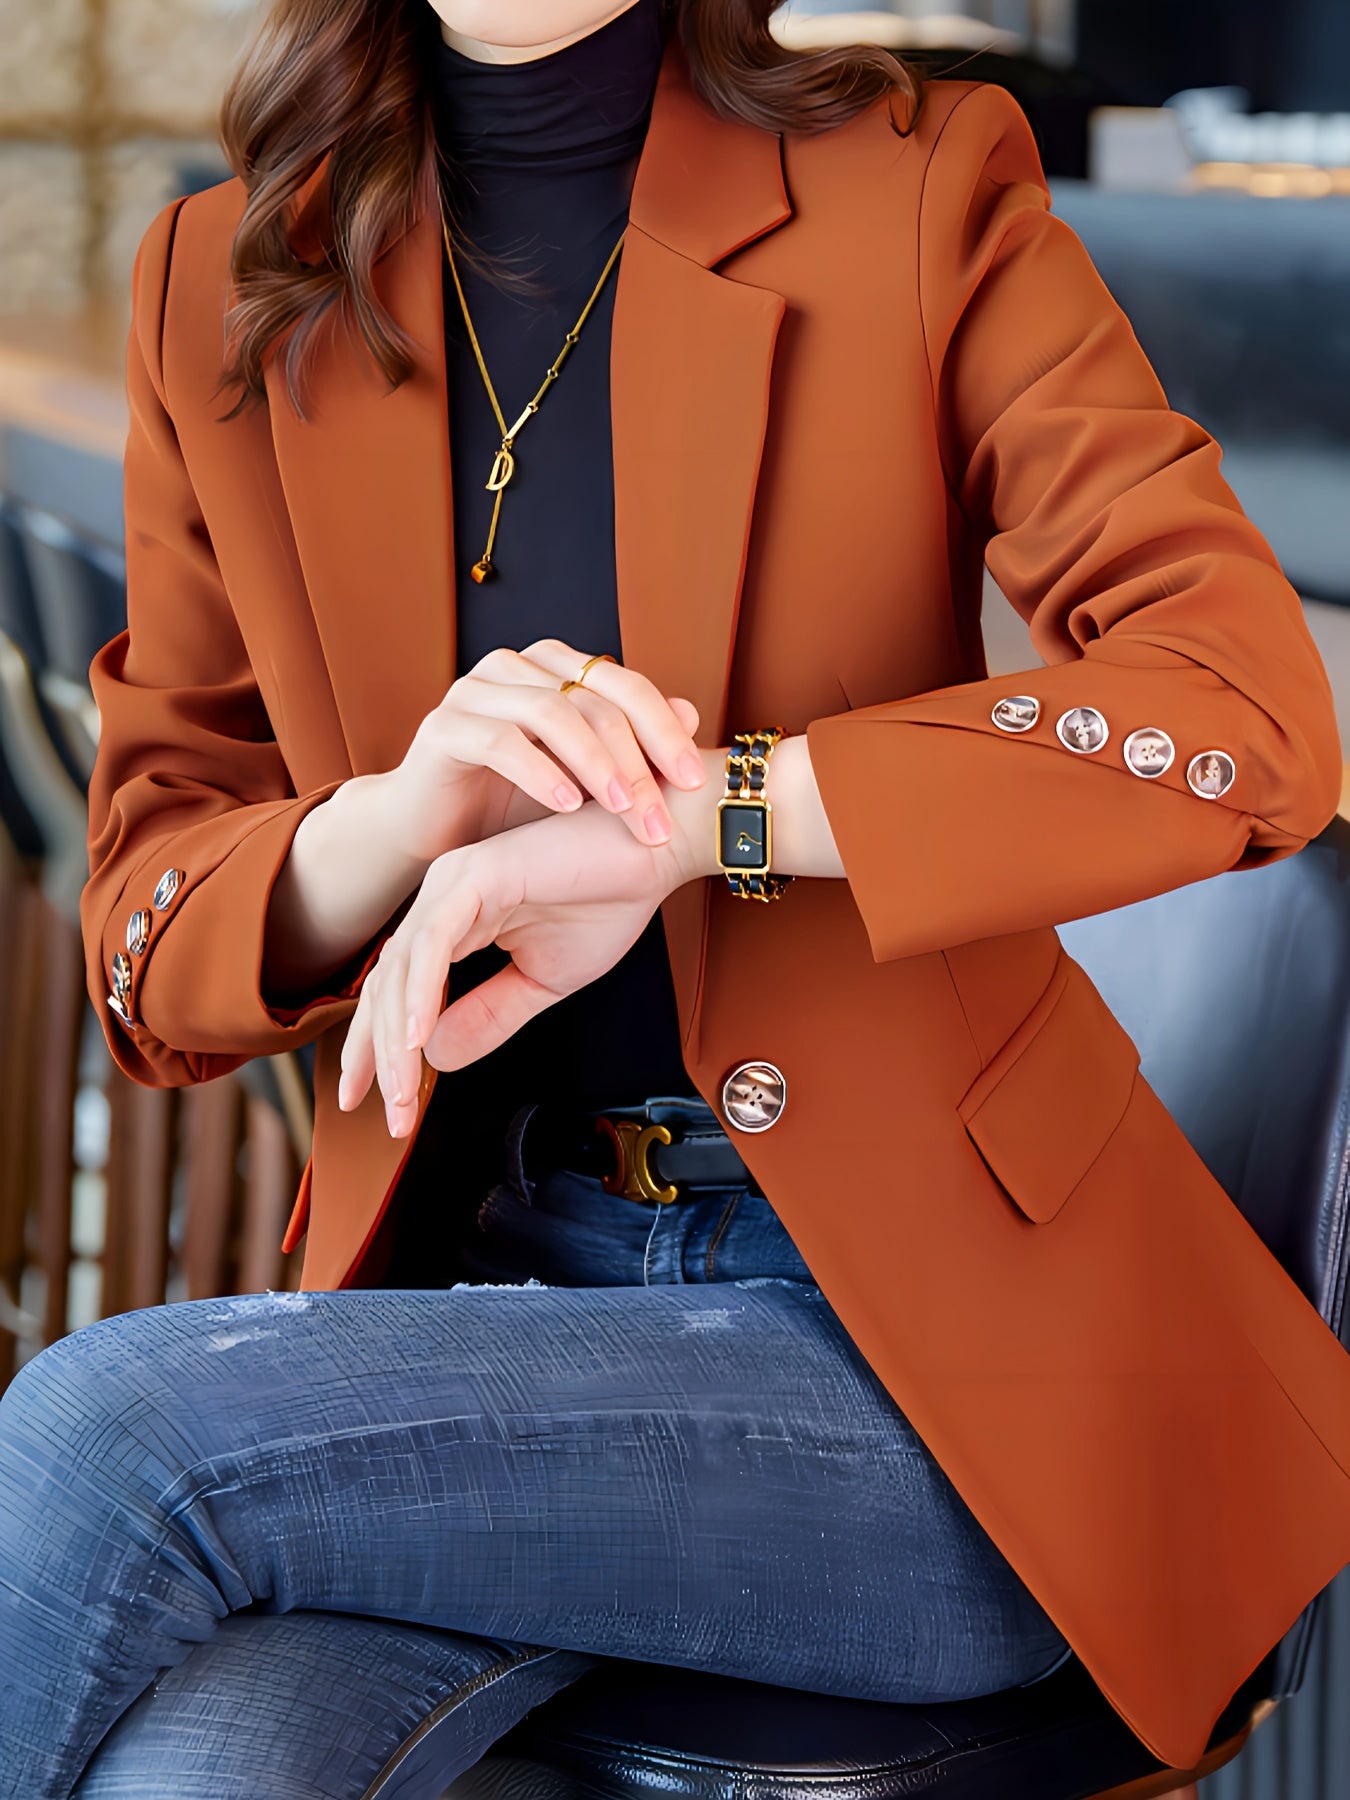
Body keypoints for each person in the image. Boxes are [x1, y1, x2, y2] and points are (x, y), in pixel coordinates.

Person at [3, 0, 1350, 1794]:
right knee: (200, 1767)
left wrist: (706, 819)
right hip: (483, 1316)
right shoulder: (229, 271)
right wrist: (400, 818)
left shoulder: (916, 183)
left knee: (114, 1427)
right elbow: (142, 937)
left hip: (929, 1378)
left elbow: (1247, 714)